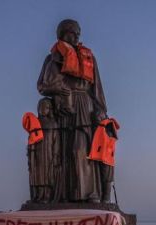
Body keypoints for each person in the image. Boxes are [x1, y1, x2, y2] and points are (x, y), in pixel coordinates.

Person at [37, 19, 108, 202]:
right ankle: (65, 194)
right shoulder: (52, 58)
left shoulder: (89, 59)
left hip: (85, 106)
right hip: (63, 108)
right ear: (62, 34)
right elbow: (42, 86)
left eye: (78, 34)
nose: (76, 37)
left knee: (81, 149)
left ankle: (88, 193)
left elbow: (97, 88)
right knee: (63, 152)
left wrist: (101, 111)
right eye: (71, 33)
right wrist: (57, 91)